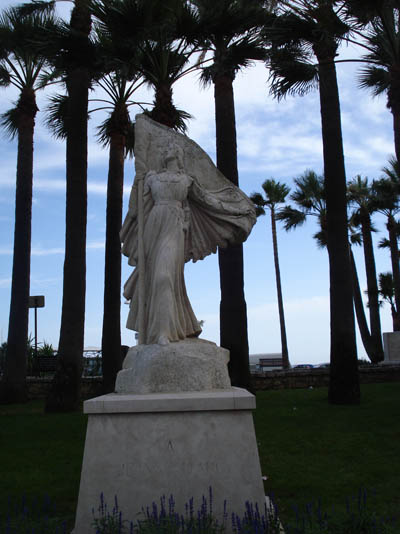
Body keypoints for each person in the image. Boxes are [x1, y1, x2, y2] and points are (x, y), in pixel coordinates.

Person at [121, 115, 256, 345]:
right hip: (153, 226)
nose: (167, 150)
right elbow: (136, 209)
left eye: (171, 147)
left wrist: (234, 210)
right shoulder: (151, 178)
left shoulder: (186, 181)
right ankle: (160, 331)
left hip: (174, 227)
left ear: (179, 154)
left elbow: (209, 202)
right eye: (165, 148)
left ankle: (165, 332)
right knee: (155, 278)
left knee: (165, 276)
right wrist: (137, 185)